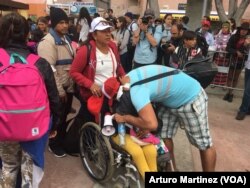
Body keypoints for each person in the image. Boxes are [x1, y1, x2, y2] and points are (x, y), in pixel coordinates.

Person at [113, 64, 216, 172]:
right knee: (164, 136)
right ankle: (171, 170)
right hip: (169, 99)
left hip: (191, 98)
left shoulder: (136, 92)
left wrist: (126, 118)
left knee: (204, 144)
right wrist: (146, 124)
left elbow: (152, 124)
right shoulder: (128, 78)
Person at [0, 12, 61, 188]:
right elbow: (54, 98)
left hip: (3, 127)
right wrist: (54, 125)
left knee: (9, 166)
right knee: (29, 169)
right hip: (34, 127)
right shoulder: (40, 63)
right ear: (28, 34)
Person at [70, 17, 125, 125]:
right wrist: (90, 85)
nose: (108, 34)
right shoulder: (85, 50)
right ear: (94, 35)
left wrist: (124, 77)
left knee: (109, 124)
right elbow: (73, 72)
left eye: (109, 30)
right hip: (94, 97)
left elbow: (118, 65)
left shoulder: (113, 47)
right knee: (91, 125)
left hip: (112, 95)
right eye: (104, 31)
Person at [38, 7, 75, 157]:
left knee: (64, 115)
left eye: (66, 22)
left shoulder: (66, 39)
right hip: (58, 90)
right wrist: (59, 91)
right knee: (57, 118)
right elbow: (50, 70)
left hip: (68, 86)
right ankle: (54, 144)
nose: (65, 25)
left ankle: (60, 139)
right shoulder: (47, 42)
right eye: (61, 22)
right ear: (53, 24)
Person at [224, 22, 249, 102]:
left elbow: (245, 52)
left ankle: (231, 93)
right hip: (232, 59)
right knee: (230, 77)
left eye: (245, 30)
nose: (243, 31)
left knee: (235, 78)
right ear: (240, 30)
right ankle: (228, 92)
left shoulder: (248, 40)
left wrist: (245, 45)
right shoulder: (233, 37)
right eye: (242, 30)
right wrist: (236, 52)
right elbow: (228, 48)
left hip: (241, 62)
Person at [236, 35, 250, 120]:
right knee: (247, 90)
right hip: (248, 67)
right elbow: (244, 51)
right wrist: (246, 44)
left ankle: (243, 110)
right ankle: (248, 108)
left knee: (247, 92)